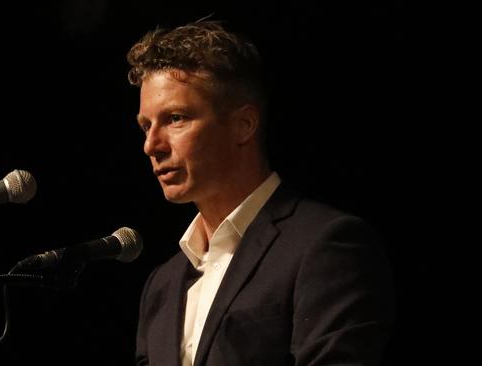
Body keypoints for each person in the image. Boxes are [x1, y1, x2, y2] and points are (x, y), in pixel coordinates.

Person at [127, 20, 395, 366]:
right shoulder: (162, 285)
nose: (152, 145)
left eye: (176, 118)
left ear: (244, 125)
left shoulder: (326, 245)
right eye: (146, 126)